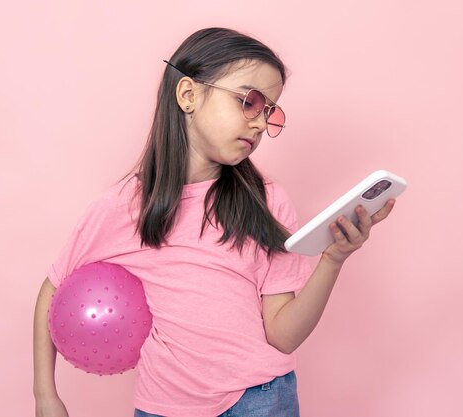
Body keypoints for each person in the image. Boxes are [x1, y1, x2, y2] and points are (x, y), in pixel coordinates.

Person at [33, 27, 396, 417]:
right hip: (163, 408)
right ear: (188, 95)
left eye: (270, 111)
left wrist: (333, 259)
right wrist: (46, 396)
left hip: (262, 399)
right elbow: (53, 290)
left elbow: (282, 336)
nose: (259, 123)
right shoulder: (124, 206)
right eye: (249, 101)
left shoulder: (267, 200)